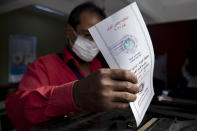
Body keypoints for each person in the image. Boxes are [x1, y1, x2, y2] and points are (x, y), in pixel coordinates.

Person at [5, 2, 139, 130]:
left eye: (98, 37)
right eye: (87, 35)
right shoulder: (43, 66)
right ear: (69, 31)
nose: (93, 43)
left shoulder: (100, 67)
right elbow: (17, 110)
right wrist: (74, 95)